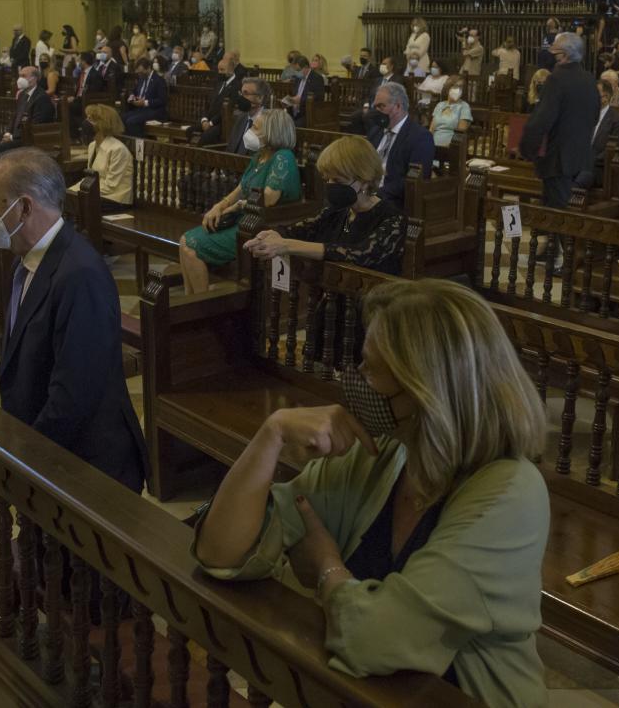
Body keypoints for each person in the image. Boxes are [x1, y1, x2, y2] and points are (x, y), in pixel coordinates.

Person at [192, 278, 549, 708]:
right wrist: (271, 435)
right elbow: (222, 552)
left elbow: (376, 638)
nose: (355, 380)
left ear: (424, 391)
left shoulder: (512, 494)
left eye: (370, 368)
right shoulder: (385, 454)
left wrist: (327, 569)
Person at [0, 148, 148, 491]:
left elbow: (74, 394)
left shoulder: (80, 275)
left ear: (24, 207)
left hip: (86, 466)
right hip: (51, 450)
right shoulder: (26, 261)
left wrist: (29, 457)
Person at [245, 136, 408, 276]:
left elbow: (360, 253)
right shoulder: (337, 211)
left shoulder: (392, 218)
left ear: (364, 182)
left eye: (337, 181)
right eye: (327, 179)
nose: (330, 186)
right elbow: (301, 229)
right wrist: (272, 235)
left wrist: (286, 245)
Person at [179, 109, 301, 294]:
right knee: (185, 241)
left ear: (272, 131)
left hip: (264, 226)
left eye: (257, 128)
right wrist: (219, 206)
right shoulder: (260, 155)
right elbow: (240, 189)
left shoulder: (283, 157)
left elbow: (268, 199)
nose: (251, 130)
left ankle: (200, 305)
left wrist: (236, 207)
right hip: (246, 220)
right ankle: (191, 297)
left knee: (191, 245)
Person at [519, 33, 598, 214]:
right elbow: (594, 116)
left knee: (557, 216)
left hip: (558, 160)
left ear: (564, 55)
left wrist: (527, 149)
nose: (552, 57)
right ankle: (557, 242)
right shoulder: (589, 79)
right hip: (581, 158)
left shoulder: (556, 79)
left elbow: (542, 119)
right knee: (565, 214)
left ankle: (558, 242)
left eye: (555, 53)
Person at [367, 82, 434, 211]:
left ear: (397, 106)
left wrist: (377, 195)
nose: (376, 112)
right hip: (367, 192)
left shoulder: (420, 136)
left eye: (381, 106)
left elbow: (414, 179)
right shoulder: (376, 131)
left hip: (394, 200)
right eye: (375, 107)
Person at [0, 67, 54, 167]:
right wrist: (8, 133)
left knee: (3, 147)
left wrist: (12, 137)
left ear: (34, 78)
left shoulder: (42, 98)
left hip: (29, 139)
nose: (20, 79)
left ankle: (2, 177)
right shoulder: (22, 95)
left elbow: (36, 125)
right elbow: (15, 117)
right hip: (16, 136)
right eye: (19, 76)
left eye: (23, 76)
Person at [75, 104, 134, 211]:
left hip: (116, 199)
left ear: (102, 124)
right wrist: (73, 190)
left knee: (79, 204)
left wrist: (81, 192)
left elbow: (111, 186)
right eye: (87, 118)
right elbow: (90, 178)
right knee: (67, 200)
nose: (86, 122)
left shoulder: (117, 149)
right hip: (97, 194)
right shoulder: (92, 146)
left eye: (91, 119)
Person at [575, 74, 619, 189]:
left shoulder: (618, 120)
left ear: (606, 97)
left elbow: (613, 149)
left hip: (599, 167)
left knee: (580, 178)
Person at [123, 56, 168, 136]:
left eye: (141, 72)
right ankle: (128, 143)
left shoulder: (159, 80)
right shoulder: (141, 78)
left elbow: (162, 100)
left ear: (148, 68)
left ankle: (139, 144)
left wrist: (145, 102)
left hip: (155, 111)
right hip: (141, 110)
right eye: (138, 72)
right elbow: (134, 91)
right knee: (122, 117)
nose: (139, 74)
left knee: (131, 121)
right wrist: (132, 97)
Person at [226, 78, 269, 155]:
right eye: (241, 93)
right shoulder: (240, 118)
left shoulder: (268, 122)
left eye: (246, 94)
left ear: (260, 98)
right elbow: (231, 147)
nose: (241, 98)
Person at [283, 55, 326, 126]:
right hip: (294, 112)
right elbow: (294, 94)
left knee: (293, 126)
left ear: (306, 67)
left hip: (308, 114)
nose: (296, 73)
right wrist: (289, 100)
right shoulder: (298, 78)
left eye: (298, 70)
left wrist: (301, 100)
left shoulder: (316, 78)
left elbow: (319, 97)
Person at [429, 78, 473, 147]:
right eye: (456, 87)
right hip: (433, 145)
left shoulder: (464, 106)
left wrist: (448, 146)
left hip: (451, 146)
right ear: (447, 89)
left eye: (461, 87)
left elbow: (461, 132)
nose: (458, 90)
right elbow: (431, 129)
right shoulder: (440, 105)